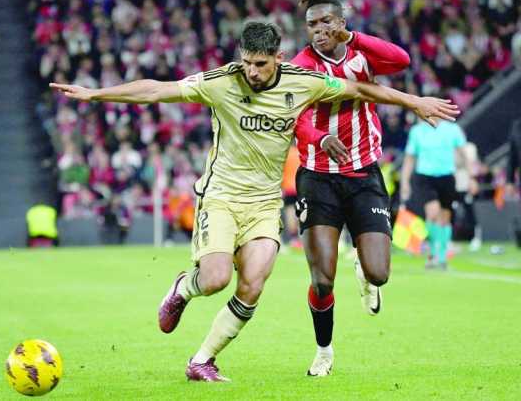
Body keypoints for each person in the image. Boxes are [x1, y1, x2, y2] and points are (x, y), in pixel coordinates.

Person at [51, 21, 458, 382]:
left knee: (253, 283)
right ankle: (182, 288)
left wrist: (414, 102)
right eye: (247, 62)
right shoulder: (222, 81)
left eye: (261, 64)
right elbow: (159, 90)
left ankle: (202, 360)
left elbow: (359, 88)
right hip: (222, 197)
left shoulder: (303, 81)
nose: (252, 72)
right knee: (215, 280)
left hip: (264, 204)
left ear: (278, 59)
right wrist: (97, 95)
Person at [290, 0, 411, 377]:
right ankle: (324, 352)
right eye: (312, 24)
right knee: (322, 278)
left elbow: (402, 60)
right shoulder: (301, 66)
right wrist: (320, 136)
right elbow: (297, 118)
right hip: (318, 177)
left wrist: (355, 37)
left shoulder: (362, 54)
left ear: (341, 22)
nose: (319, 30)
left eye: (327, 22)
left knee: (379, 273)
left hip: (363, 173)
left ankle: (364, 272)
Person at [401, 120, 470, 270]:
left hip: (446, 176)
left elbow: (463, 153)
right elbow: (410, 158)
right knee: (432, 213)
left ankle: (443, 256)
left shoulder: (452, 129)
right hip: (425, 176)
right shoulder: (417, 131)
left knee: (445, 217)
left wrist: (471, 176)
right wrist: (405, 181)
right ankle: (433, 254)